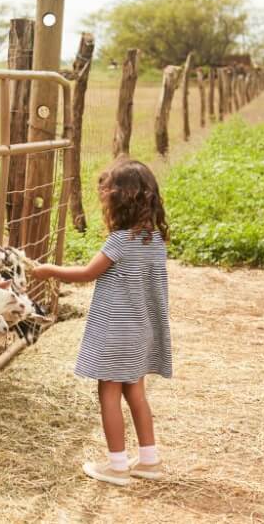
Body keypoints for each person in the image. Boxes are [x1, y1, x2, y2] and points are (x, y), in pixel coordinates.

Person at [32, 158, 172, 486]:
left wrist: (49, 270)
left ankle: (117, 465)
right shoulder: (155, 241)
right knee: (135, 392)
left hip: (116, 332)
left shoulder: (120, 241)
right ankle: (149, 460)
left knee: (108, 392)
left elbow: (86, 274)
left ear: (119, 201)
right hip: (140, 331)